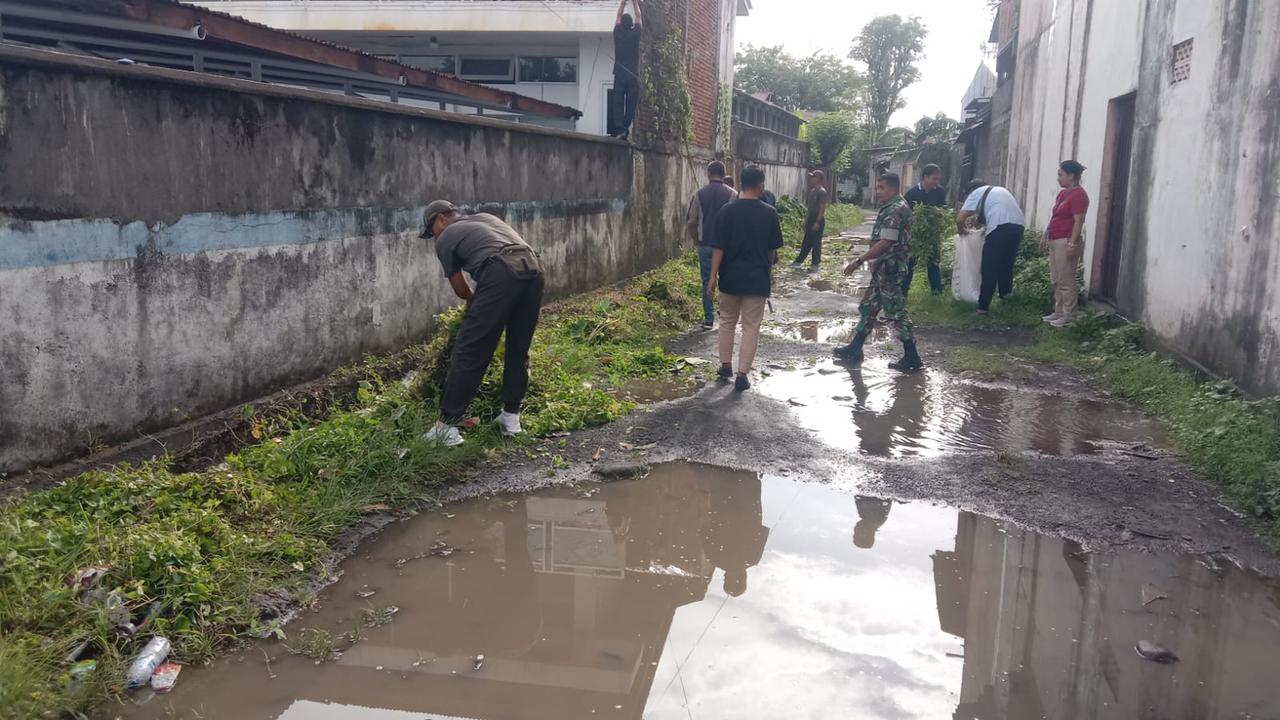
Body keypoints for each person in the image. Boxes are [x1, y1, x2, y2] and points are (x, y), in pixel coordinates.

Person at [420, 201, 545, 447]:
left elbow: (460, 288)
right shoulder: (486, 217)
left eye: (431, 230)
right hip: (534, 268)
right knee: (518, 347)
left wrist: (474, 306)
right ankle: (510, 418)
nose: (434, 236)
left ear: (441, 219)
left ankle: (446, 427)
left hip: (500, 272)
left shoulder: (446, 237)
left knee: (470, 348)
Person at [834, 173, 923, 372]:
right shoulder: (891, 207)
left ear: (893, 188)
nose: (877, 192)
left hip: (890, 269)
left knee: (896, 311)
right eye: (877, 188)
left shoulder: (896, 209)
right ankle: (855, 348)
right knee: (869, 307)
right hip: (882, 268)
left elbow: (886, 242)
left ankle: (912, 356)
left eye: (881, 188)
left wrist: (859, 261)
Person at [706, 165, 783, 391]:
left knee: (727, 322)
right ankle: (742, 375)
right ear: (761, 186)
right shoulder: (770, 213)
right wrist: (767, 272)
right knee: (751, 327)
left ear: (740, 184)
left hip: (730, 277)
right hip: (757, 279)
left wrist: (712, 276)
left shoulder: (726, 211)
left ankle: (725, 366)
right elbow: (772, 252)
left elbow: (718, 248)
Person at [956, 179, 1026, 314]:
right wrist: (977, 225)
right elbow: (988, 214)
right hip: (1018, 227)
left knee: (989, 267)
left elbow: (959, 219)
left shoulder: (976, 193)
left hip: (1000, 226)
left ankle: (983, 307)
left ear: (972, 191)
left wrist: (962, 233)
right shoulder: (999, 191)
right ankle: (1006, 299)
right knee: (1006, 265)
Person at [686, 161, 738, 328]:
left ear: (708, 174)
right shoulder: (733, 194)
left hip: (706, 243)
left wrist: (695, 239)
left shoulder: (699, 194)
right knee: (726, 280)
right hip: (727, 246)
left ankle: (709, 319)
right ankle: (725, 314)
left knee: (707, 280)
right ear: (724, 174)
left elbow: (691, 221)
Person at [1042, 160, 1089, 327]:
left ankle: (1070, 314)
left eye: (1060, 175)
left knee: (1066, 279)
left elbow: (1078, 221)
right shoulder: (1063, 194)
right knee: (1056, 278)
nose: (1058, 178)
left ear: (1071, 176)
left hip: (1066, 240)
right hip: (1055, 238)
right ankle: (1059, 310)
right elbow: (1055, 216)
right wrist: (1045, 234)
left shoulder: (1079, 195)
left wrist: (1072, 244)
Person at [902, 163, 947, 297]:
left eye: (938, 179)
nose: (936, 182)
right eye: (934, 178)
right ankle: (903, 293)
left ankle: (936, 293)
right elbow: (904, 215)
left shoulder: (940, 192)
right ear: (925, 177)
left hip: (932, 233)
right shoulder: (912, 194)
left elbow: (942, 210)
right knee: (910, 263)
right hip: (915, 234)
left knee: (933, 263)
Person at [610, 0, 642, 140]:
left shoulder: (618, 33)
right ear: (631, 24)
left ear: (621, 24)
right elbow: (639, 16)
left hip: (620, 74)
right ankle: (625, 129)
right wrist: (634, 2)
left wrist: (623, 3)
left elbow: (618, 16)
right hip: (633, 75)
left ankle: (619, 129)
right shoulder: (636, 34)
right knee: (631, 104)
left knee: (617, 101)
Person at [790, 170, 829, 269]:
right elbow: (809, 208)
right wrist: (805, 220)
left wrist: (817, 222)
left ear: (819, 179)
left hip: (817, 218)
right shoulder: (812, 191)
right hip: (811, 218)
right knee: (807, 240)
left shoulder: (822, 192)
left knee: (816, 242)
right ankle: (799, 260)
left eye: (814, 177)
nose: (812, 179)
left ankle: (815, 263)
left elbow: (822, 208)